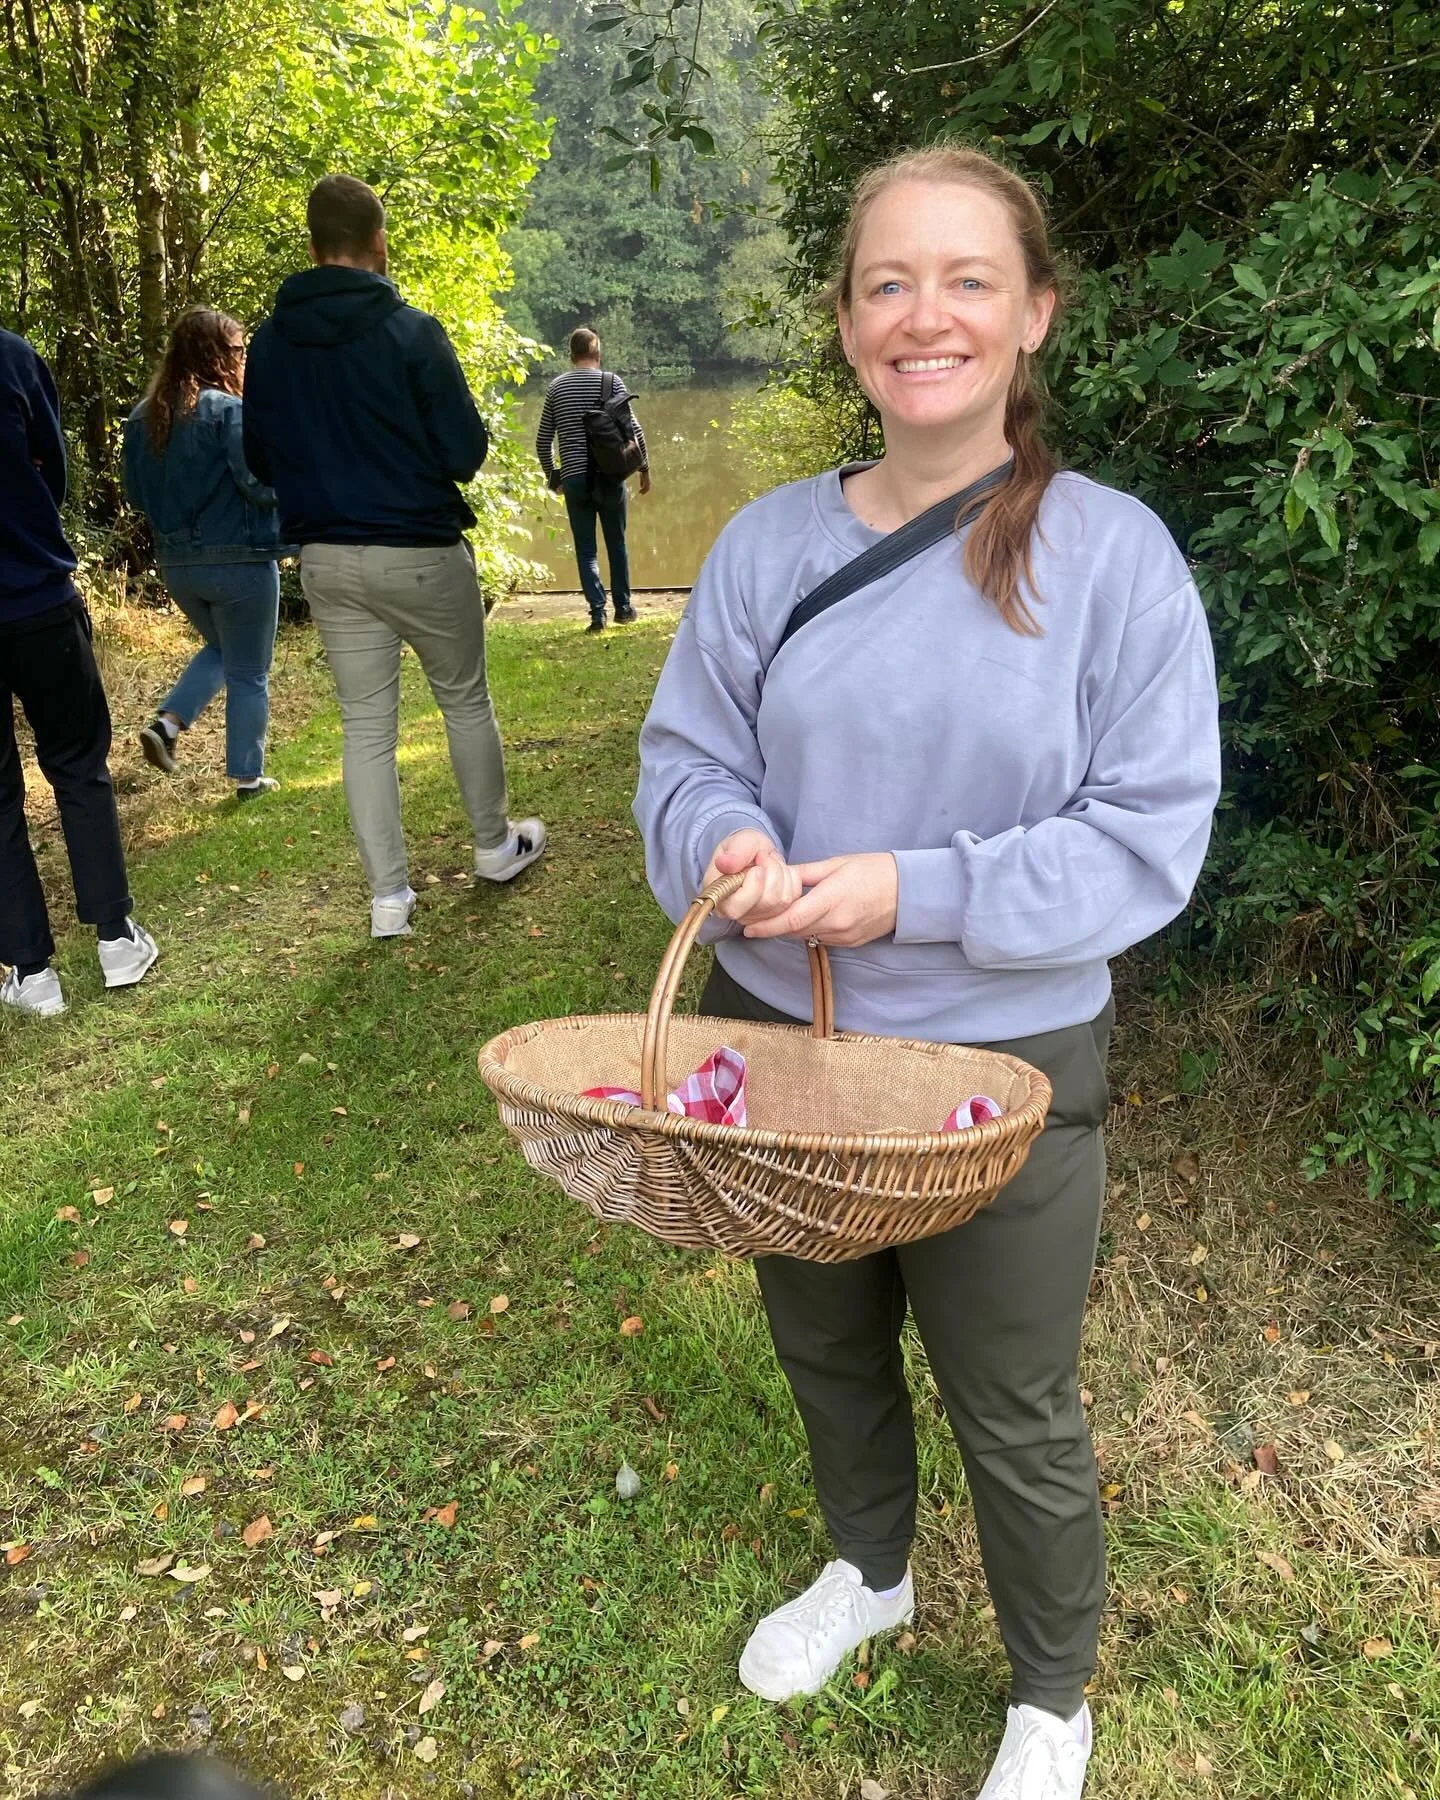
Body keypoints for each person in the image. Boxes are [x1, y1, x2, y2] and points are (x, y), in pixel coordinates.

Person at [634, 146, 1221, 1800]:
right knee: (823, 1340)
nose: (925, 314)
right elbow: (684, 764)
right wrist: (729, 844)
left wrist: (910, 890)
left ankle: (1051, 1696)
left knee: (1014, 1403)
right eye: (888, 281)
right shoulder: (761, 549)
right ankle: (870, 1576)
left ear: (1035, 313)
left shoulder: (1116, 564)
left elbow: (1143, 842)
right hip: (784, 1047)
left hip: (1004, 1071)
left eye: (968, 278)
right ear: (844, 323)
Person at [243, 174, 545, 939]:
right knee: (463, 699)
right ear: (379, 244)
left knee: (366, 726)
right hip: (420, 550)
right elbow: (466, 452)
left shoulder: (271, 343)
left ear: (312, 250)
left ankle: (388, 901)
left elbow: (260, 459)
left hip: (327, 560)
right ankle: (492, 845)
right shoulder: (413, 332)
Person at [0, 328, 158, 1017]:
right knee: (77, 764)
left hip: (35, 594)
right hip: (36, 594)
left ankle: (32, 973)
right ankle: (116, 938)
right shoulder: (11, 356)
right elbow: (52, 467)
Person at [124, 307, 288, 801]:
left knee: (224, 650)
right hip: (239, 561)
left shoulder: (142, 416)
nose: (243, 358)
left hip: (177, 566)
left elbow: (136, 495)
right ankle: (248, 777)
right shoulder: (226, 410)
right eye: (238, 349)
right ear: (216, 354)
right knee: (249, 670)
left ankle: (169, 723)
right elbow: (257, 484)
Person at [535, 327, 651, 633]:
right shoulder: (612, 382)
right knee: (617, 544)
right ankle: (624, 610)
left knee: (586, 549)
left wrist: (553, 477)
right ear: (597, 353)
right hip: (611, 476)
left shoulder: (556, 388)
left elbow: (542, 440)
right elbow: (634, 430)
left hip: (574, 478)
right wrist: (644, 469)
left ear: (571, 356)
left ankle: (597, 613)